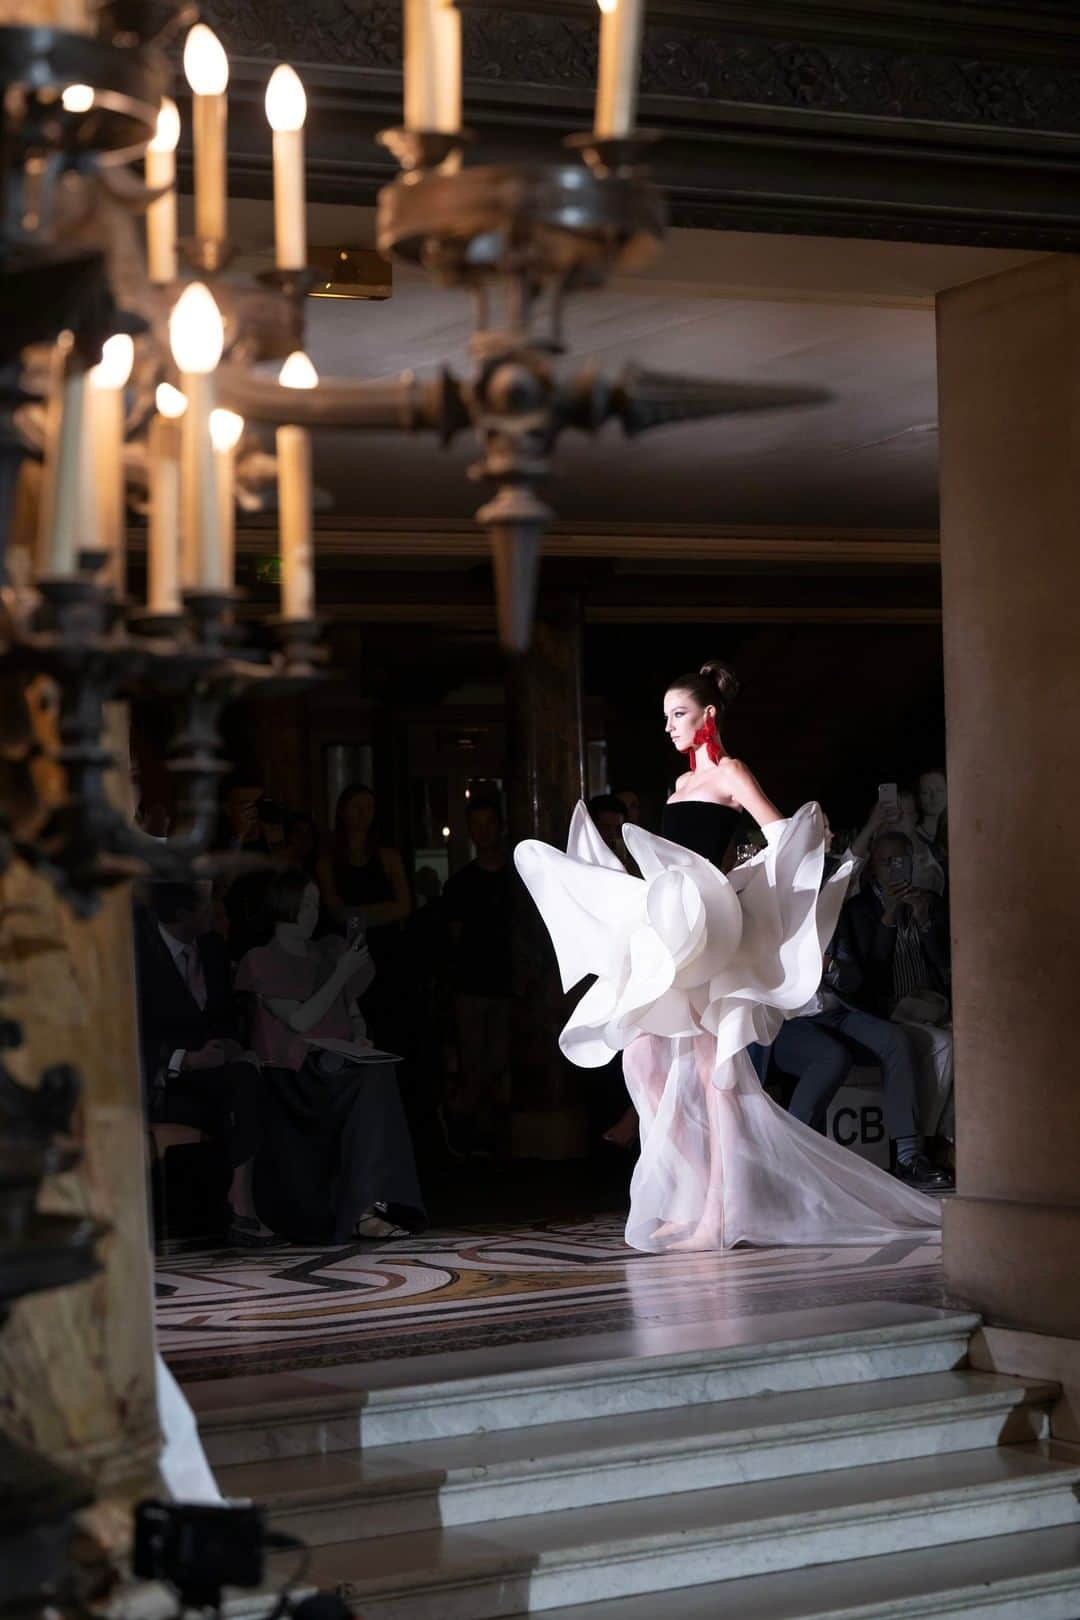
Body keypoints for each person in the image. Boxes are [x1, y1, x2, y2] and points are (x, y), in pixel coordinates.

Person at [515, 658, 942, 1253]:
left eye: (679, 715)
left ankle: (721, 1211)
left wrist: (742, 885)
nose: (668, 726)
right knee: (641, 1058)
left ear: (707, 716)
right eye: (664, 717)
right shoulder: (680, 786)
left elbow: (784, 836)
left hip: (715, 938)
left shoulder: (730, 774)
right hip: (673, 935)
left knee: (717, 1077)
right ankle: (698, 1194)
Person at [235, 870, 425, 1245]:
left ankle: (372, 1201)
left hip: (340, 1062)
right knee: (368, 1080)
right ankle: (364, 1208)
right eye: (304, 904)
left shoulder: (327, 950)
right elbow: (300, 1019)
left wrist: (359, 1034)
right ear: (282, 905)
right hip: (295, 1075)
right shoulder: (261, 959)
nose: (311, 912)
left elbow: (351, 1008)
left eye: (315, 905)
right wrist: (340, 974)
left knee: (377, 1072)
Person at [768, 824, 952, 1190]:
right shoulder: (771, 912)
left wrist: (832, 967)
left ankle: (908, 1156)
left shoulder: (834, 911)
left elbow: (857, 980)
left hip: (839, 1012)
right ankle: (788, 1157)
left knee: (895, 1040)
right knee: (831, 1057)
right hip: (790, 1022)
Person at [134, 881, 270, 1245]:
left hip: (212, 1071)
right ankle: (236, 1209)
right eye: (209, 906)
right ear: (182, 913)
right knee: (238, 1091)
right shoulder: (137, 955)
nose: (217, 913)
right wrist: (188, 1060)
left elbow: (222, 1018)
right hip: (161, 1078)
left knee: (248, 1076)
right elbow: (126, 1032)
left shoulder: (211, 948)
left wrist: (228, 1046)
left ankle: (242, 1206)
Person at [844, 829, 955, 1144]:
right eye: (886, 862)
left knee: (977, 1043)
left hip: (932, 1002)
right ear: (873, 868)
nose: (895, 868)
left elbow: (944, 962)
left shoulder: (929, 901)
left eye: (901, 860)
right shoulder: (859, 909)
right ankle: (927, 1141)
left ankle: (954, 1140)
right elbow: (869, 975)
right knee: (944, 1044)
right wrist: (890, 914)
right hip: (890, 1009)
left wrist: (924, 920)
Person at [316, 782, 412, 1046]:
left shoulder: (388, 857)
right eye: (357, 806)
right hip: (347, 954)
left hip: (387, 953)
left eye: (369, 807)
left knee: (390, 1025)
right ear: (343, 812)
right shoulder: (328, 861)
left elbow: (404, 906)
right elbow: (336, 911)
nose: (364, 813)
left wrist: (357, 914)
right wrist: (383, 909)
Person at [442, 798, 512, 1153]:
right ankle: (469, 1142)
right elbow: (453, 940)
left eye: (489, 822)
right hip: (470, 985)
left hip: (507, 985)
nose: (483, 830)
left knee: (500, 1063)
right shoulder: (460, 884)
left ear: (499, 826)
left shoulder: (515, 880)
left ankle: (494, 1139)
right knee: (474, 1064)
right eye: (476, 823)